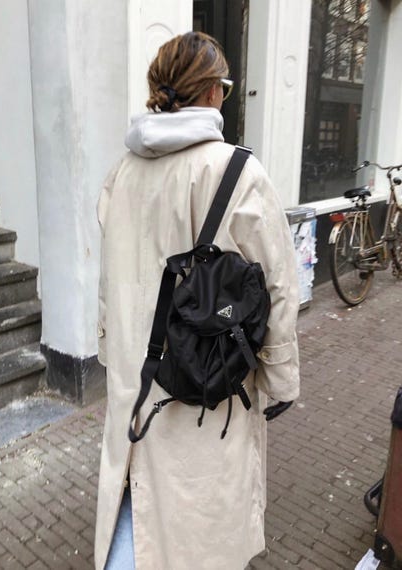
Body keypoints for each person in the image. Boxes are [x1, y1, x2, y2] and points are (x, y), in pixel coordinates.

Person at [95, 31, 300, 570]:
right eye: (224, 89)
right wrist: (280, 380)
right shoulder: (239, 173)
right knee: (199, 521)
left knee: (137, 496)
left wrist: (110, 351)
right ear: (211, 91)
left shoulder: (122, 172)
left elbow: (108, 278)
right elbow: (278, 287)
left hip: (138, 377)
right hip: (206, 388)